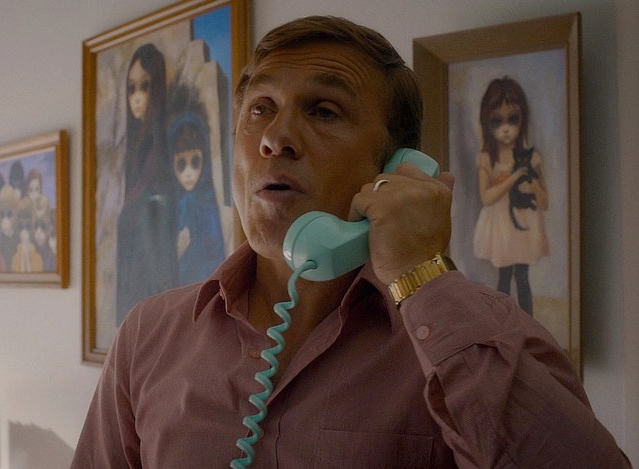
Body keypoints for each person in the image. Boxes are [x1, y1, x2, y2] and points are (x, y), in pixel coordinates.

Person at [71, 16, 630, 468]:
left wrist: (421, 274)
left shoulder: (484, 339)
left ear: (395, 167)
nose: (275, 138)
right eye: (260, 109)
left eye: (323, 110)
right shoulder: (148, 336)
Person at [473, 77, 549, 315]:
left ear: (522, 118)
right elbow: (486, 198)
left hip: (525, 224)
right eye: (497, 121)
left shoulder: (532, 157)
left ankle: (529, 325)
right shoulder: (487, 158)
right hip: (501, 226)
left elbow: (545, 201)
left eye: (512, 119)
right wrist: (514, 177)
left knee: (523, 277)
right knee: (504, 276)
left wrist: (534, 187)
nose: (505, 129)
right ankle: (502, 323)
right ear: (487, 122)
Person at [114, 43, 178, 325]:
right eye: (131, 89)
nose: (137, 98)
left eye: (144, 87)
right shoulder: (135, 149)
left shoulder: (165, 146)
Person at [169, 111, 227, 285]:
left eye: (195, 162)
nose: (188, 173)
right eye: (181, 164)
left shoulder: (208, 207)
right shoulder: (176, 207)